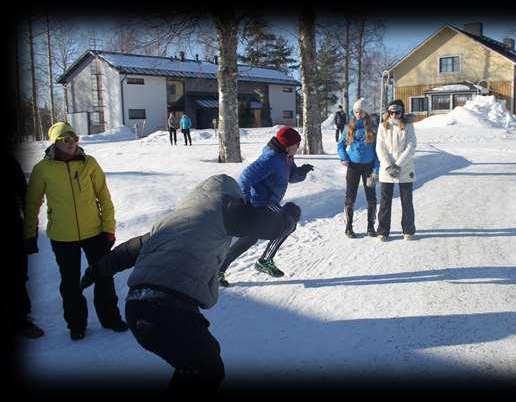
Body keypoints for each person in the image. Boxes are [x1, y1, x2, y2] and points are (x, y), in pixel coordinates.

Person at [79, 174, 302, 394]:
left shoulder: (173, 220)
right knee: (206, 368)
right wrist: (289, 215)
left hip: (138, 307)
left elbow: (128, 251)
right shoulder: (226, 208)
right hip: (167, 309)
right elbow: (266, 224)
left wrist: (95, 271)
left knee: (198, 364)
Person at [22, 122, 127, 340]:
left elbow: (104, 198)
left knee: (104, 276)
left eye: (74, 138)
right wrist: (29, 234)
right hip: (62, 236)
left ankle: (110, 318)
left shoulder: (89, 163)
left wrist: (108, 228)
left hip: (95, 233)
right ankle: (76, 324)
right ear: (55, 142)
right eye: (65, 139)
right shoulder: (42, 169)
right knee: (69, 282)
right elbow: (32, 204)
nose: (71, 143)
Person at [217, 126, 314, 287]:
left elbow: (291, 176)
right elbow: (244, 179)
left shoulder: (286, 157)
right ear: (288, 144)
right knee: (290, 220)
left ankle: (219, 270)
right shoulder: (271, 158)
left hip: (268, 204)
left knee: (251, 236)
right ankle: (265, 260)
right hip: (261, 204)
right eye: (297, 144)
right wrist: (246, 202)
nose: (298, 147)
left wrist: (302, 172)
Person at [9, 152, 44, 339]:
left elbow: (26, 199)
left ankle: (21, 320)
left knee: (17, 276)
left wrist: (30, 234)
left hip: (12, 230)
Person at [375, 99, 417, 241]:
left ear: (401, 112)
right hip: (387, 169)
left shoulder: (408, 126)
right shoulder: (383, 126)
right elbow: (380, 148)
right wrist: (388, 165)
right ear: (388, 112)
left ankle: (408, 229)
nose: (394, 115)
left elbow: (411, 146)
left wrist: (398, 165)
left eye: (397, 112)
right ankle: (383, 231)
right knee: (385, 201)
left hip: (404, 168)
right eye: (391, 112)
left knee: (406, 200)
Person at [337, 98, 380, 238]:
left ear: (365, 112)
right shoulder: (349, 127)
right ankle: (348, 227)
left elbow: (377, 150)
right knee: (350, 198)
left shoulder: (373, 127)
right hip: (353, 167)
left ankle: (371, 227)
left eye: (360, 111)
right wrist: (344, 158)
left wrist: (376, 169)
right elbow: (340, 145)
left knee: (371, 198)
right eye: (356, 111)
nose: (358, 114)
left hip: (368, 168)